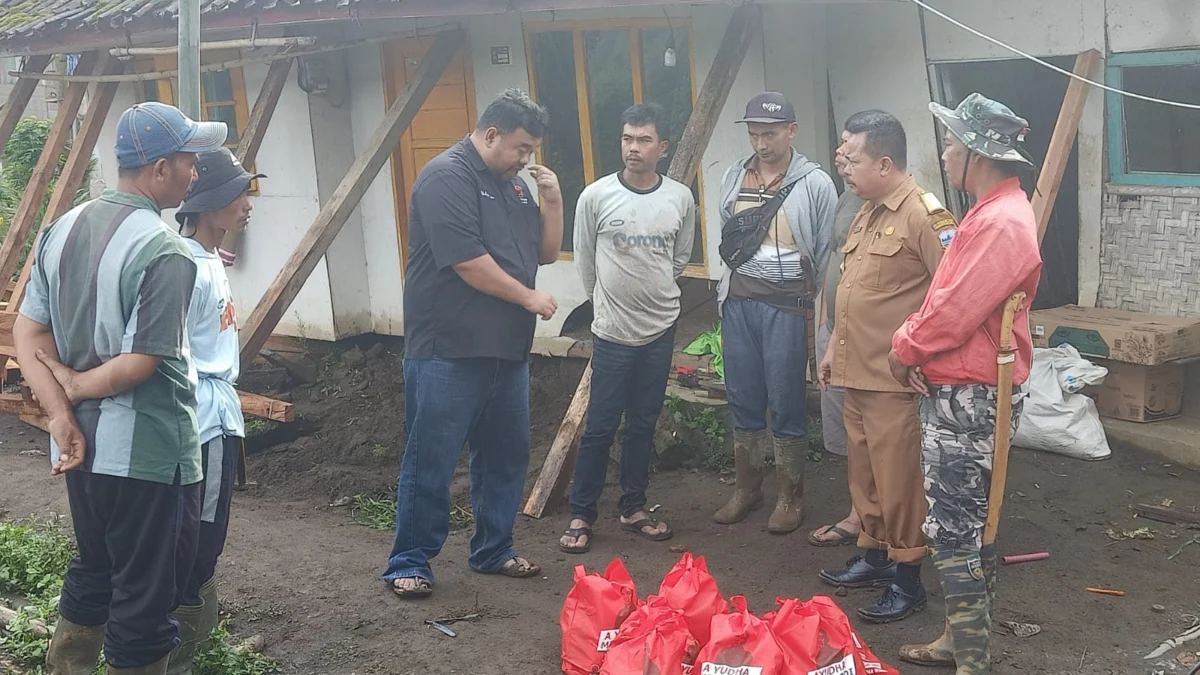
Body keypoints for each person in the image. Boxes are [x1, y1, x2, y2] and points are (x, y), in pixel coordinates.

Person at [15, 101, 227, 675]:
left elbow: (28, 331)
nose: (195, 173)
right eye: (189, 161)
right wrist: (81, 386)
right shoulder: (166, 250)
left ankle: (70, 665)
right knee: (146, 593)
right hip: (149, 451)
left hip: (80, 446)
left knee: (96, 566)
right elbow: (143, 361)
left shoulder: (62, 227)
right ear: (159, 169)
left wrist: (60, 414)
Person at [383, 89, 563, 599]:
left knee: (506, 455)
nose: (526, 159)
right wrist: (528, 297)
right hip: (448, 348)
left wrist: (553, 199)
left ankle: (493, 549)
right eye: (521, 148)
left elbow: (545, 252)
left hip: (506, 348)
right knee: (432, 457)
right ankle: (409, 560)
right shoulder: (447, 177)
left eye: (531, 151)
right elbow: (467, 261)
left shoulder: (515, 187)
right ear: (490, 135)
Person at [892, 93, 1042, 673]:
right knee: (962, 518)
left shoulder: (1002, 221)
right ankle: (960, 641)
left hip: (971, 396)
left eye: (953, 141)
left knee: (957, 526)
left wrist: (905, 344)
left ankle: (973, 659)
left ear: (977, 151)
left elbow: (952, 311)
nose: (947, 150)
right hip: (965, 390)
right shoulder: (991, 211)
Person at [816, 110, 955, 624]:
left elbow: (951, 297)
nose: (843, 167)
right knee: (865, 474)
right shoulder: (867, 210)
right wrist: (833, 349)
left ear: (885, 161)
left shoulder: (925, 215)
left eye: (852, 158)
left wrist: (926, 356)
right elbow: (852, 288)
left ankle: (908, 578)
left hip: (896, 379)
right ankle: (875, 556)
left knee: (900, 484)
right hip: (856, 370)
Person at [558, 103, 696, 553]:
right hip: (613, 332)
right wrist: (605, 308)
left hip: (660, 329)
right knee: (599, 425)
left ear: (662, 146)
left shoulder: (679, 198)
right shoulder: (596, 197)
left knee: (642, 423)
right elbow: (585, 262)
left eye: (643, 140)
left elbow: (678, 259)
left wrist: (654, 297)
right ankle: (582, 513)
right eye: (626, 139)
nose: (633, 148)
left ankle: (634, 506)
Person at [713, 92, 837, 534]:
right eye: (753, 134)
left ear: (791, 131)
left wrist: (821, 316)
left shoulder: (815, 184)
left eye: (769, 133)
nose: (761, 143)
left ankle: (790, 495)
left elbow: (825, 253)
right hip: (740, 303)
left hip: (787, 305)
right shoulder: (733, 176)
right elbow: (727, 240)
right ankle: (747, 488)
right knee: (743, 394)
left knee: (786, 397)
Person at [164, 148, 262, 674]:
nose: (247, 205)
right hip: (201, 418)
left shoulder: (210, 262)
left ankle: (195, 644)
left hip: (217, 414)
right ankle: (178, 654)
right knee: (199, 535)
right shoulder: (187, 268)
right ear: (206, 206)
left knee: (207, 531)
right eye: (237, 196)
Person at [808, 126, 866, 548]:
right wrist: (825, 323)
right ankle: (860, 512)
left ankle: (867, 520)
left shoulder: (901, 207)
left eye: (849, 143)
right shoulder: (848, 194)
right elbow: (835, 256)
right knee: (847, 428)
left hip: (865, 337)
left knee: (868, 430)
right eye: (841, 141)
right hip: (834, 330)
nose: (840, 151)